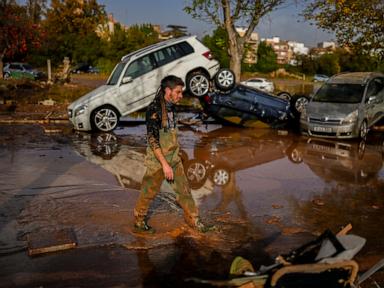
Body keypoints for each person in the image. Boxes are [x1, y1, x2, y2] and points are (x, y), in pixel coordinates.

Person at [133, 75, 214, 233]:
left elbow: (170, 132)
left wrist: (176, 156)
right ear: (167, 91)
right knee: (148, 193)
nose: (181, 95)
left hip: (174, 158)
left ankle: (194, 220)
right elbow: (153, 140)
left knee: (184, 191)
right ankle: (139, 220)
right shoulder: (154, 109)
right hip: (157, 161)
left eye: (181, 92)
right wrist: (164, 165)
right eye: (178, 92)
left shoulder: (172, 107)